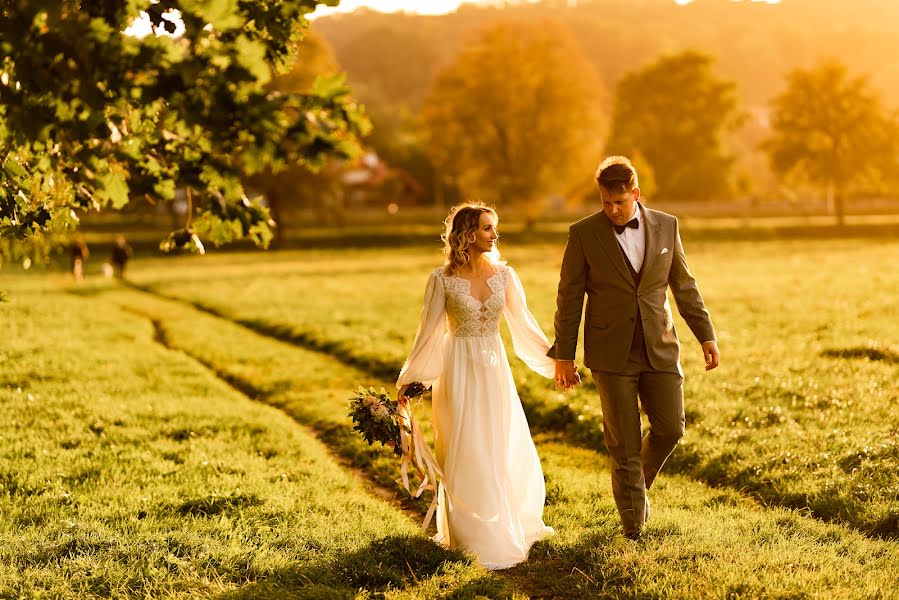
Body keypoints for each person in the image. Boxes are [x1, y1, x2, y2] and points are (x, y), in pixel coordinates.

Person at [548, 156, 719, 540]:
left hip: (660, 346)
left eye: (619, 203)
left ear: (635, 194)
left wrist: (705, 335)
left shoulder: (667, 225)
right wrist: (564, 355)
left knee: (671, 428)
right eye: (605, 203)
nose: (611, 210)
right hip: (611, 355)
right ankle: (633, 531)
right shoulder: (583, 234)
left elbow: (684, 285)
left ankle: (633, 486)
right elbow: (569, 297)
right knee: (623, 443)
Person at [396, 202, 556, 570]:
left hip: (495, 370)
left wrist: (555, 362)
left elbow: (525, 325)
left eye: (493, 227)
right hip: (458, 371)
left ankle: (508, 520)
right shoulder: (441, 279)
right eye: (486, 228)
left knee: (500, 442)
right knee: (466, 446)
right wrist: (413, 380)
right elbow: (429, 333)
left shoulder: (505, 276)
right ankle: (470, 535)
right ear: (466, 234)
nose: (494, 234)